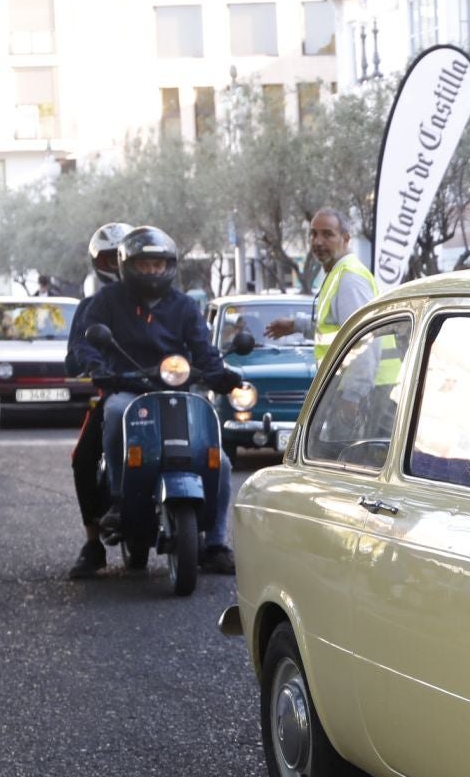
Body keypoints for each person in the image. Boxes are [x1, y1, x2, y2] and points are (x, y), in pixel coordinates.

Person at [68, 226, 244, 576]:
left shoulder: (185, 306)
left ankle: (217, 543)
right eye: (144, 265)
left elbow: (204, 351)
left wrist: (221, 373)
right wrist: (97, 365)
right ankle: (118, 498)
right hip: (127, 388)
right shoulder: (106, 301)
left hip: (177, 393)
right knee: (116, 411)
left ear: (170, 266)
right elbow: (86, 342)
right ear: (127, 265)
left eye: (158, 265)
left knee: (219, 461)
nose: (152, 272)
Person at [62, 221, 132, 579]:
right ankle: (92, 544)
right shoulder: (92, 306)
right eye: (110, 258)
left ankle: (212, 540)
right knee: (82, 458)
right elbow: (77, 350)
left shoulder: (162, 301)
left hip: (163, 392)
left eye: (124, 258)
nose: (118, 267)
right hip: (112, 394)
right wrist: (92, 364)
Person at [263, 208, 376, 361]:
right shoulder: (337, 274)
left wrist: (353, 386)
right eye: (313, 234)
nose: (317, 241)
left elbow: (363, 345)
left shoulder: (349, 278)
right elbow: (330, 328)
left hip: (361, 384)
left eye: (327, 234)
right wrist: (295, 325)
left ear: (345, 239)